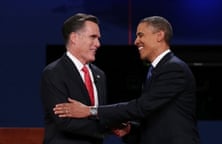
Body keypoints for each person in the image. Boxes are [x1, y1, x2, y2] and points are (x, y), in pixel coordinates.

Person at [53, 16, 201, 144]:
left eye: (141, 35)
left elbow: (142, 107)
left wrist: (90, 111)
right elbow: (156, 118)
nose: (136, 41)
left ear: (159, 35)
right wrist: (130, 130)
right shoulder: (157, 70)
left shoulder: (173, 69)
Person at [41, 13, 129, 144]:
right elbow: (64, 122)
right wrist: (108, 126)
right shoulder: (54, 73)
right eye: (93, 37)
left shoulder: (100, 74)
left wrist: (114, 122)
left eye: (98, 38)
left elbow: (100, 113)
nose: (98, 44)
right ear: (74, 38)